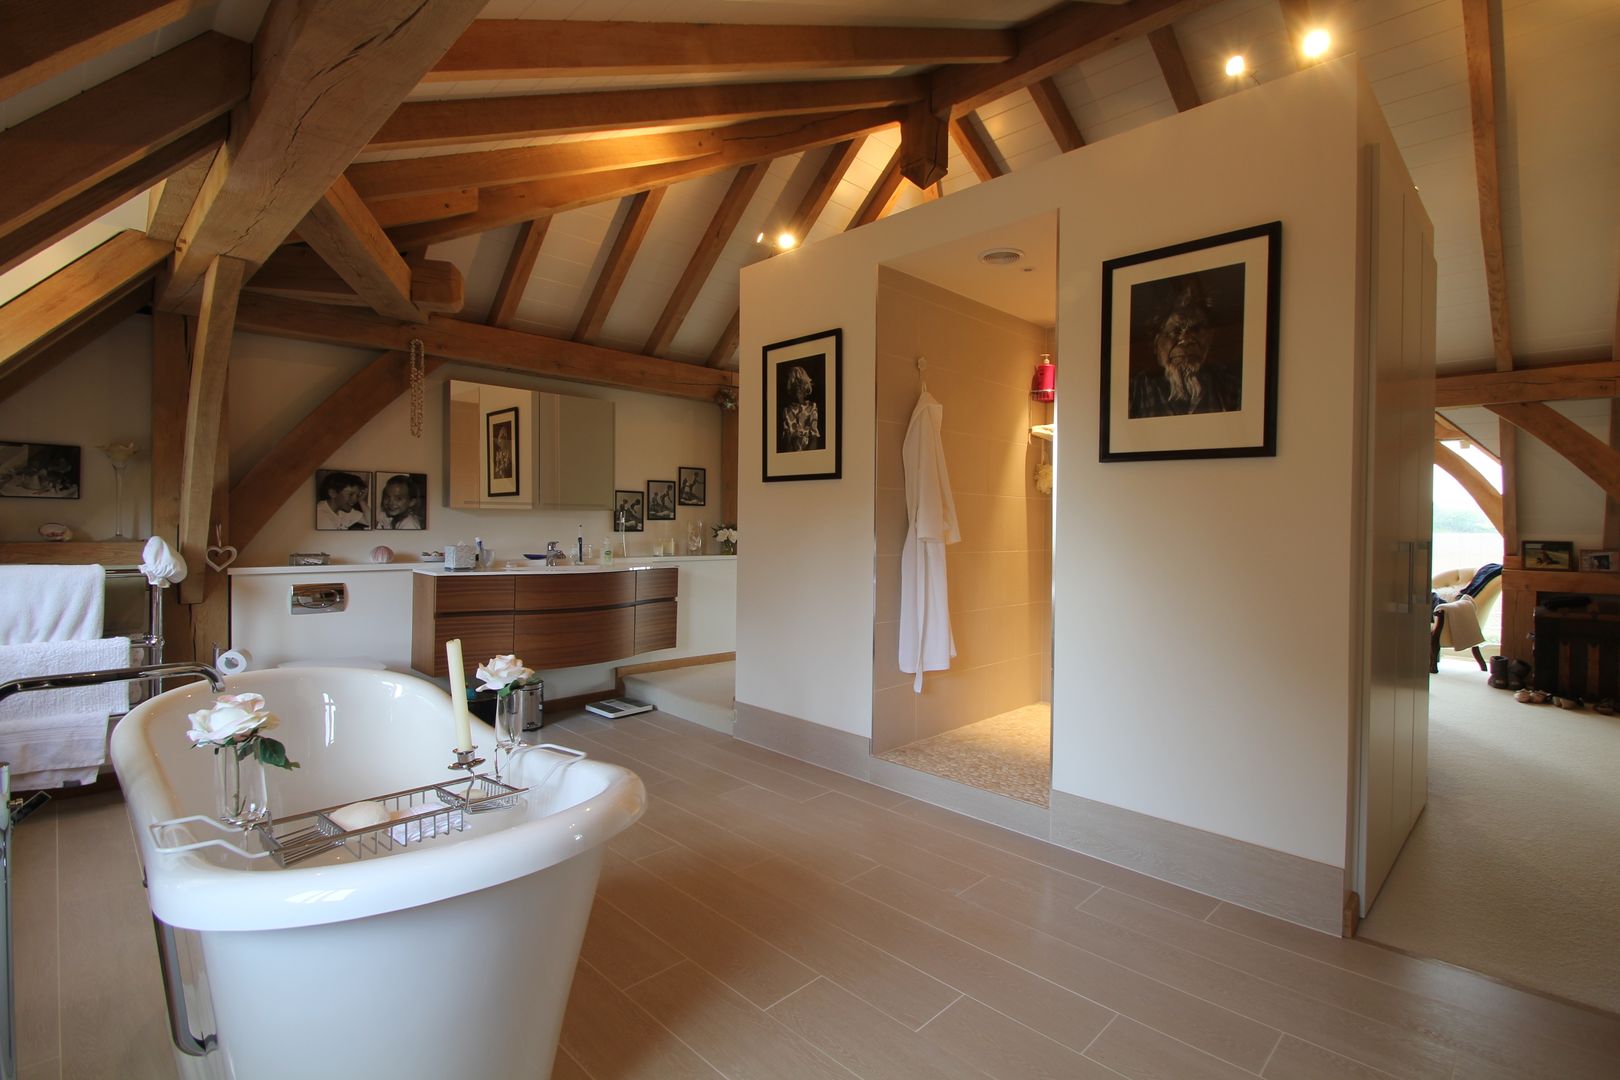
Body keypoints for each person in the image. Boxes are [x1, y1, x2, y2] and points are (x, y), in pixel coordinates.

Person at [1128, 278, 1241, 418]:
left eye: (1197, 330)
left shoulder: (1230, 387)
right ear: (1156, 343)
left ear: (1210, 338)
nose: (1186, 340)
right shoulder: (1133, 393)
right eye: (1175, 330)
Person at [778, 363, 822, 452]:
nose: (797, 385)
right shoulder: (787, 411)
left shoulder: (812, 407)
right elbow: (787, 444)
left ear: (805, 383)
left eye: (799, 381)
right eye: (794, 382)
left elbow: (814, 438)